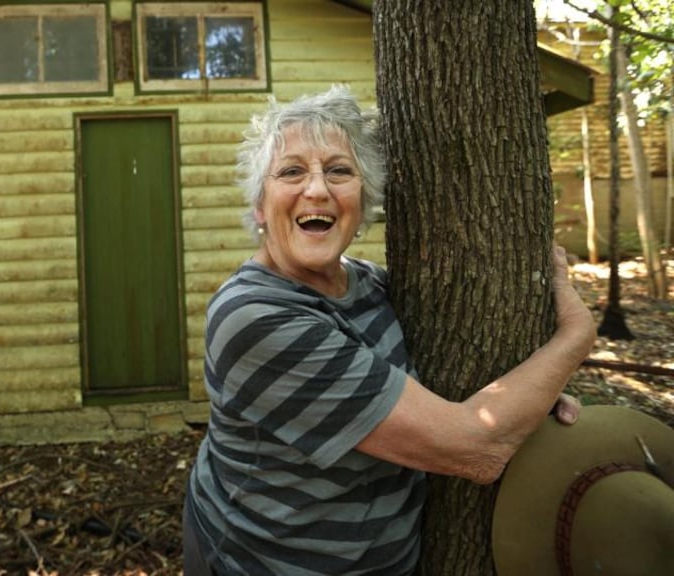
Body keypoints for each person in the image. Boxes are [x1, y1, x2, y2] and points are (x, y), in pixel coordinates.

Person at [182, 85, 596, 576]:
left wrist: (531, 395)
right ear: (259, 206)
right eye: (291, 171)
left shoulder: (372, 284)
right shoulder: (253, 318)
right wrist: (574, 337)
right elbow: (476, 448)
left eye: (339, 171)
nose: (317, 190)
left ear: (364, 201)